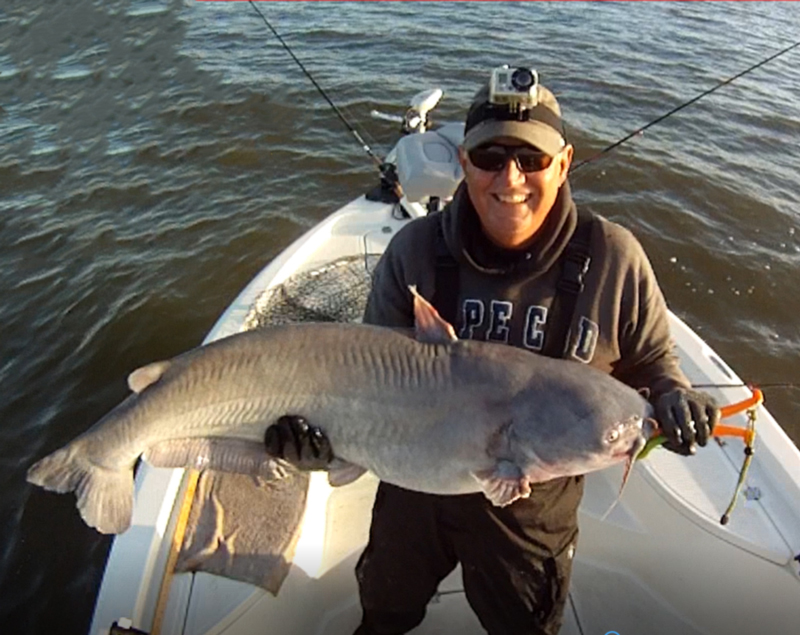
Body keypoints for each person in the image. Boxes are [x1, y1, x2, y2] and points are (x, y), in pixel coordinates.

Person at [265, 67, 720, 635]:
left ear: (563, 162)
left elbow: (654, 365)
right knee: (384, 612)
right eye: (489, 157)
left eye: (530, 159)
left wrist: (678, 399)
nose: (510, 178)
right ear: (462, 164)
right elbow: (361, 378)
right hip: (415, 484)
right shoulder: (414, 252)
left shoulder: (614, 259)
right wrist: (323, 447)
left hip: (532, 512)